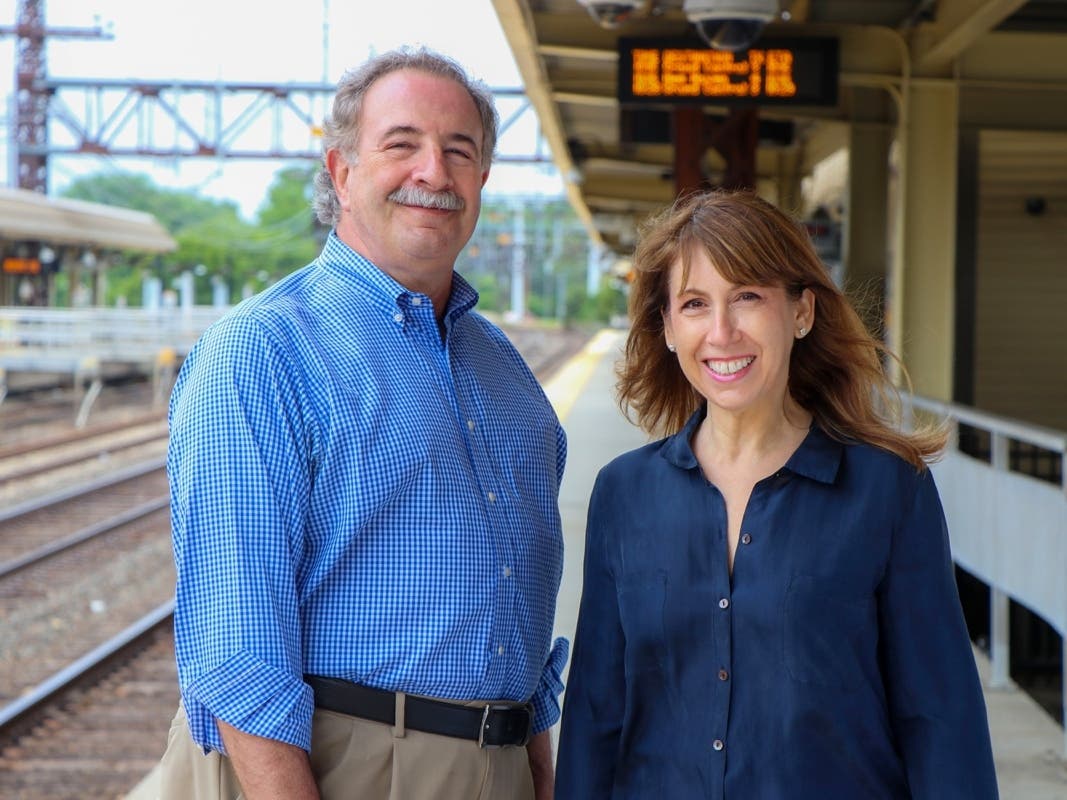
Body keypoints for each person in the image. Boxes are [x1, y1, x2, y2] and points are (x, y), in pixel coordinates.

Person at [157, 47, 568, 800]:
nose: (434, 174)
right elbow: (236, 650)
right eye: (401, 144)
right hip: (346, 767)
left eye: (459, 151)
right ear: (341, 172)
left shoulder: (506, 375)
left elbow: (516, 611)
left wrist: (536, 774)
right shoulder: (262, 351)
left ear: (481, 180)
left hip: (499, 765)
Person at [554, 189, 999, 799]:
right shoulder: (623, 494)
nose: (721, 331)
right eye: (693, 304)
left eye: (747, 297)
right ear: (666, 328)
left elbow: (941, 721)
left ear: (801, 313)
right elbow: (596, 718)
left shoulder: (887, 490)